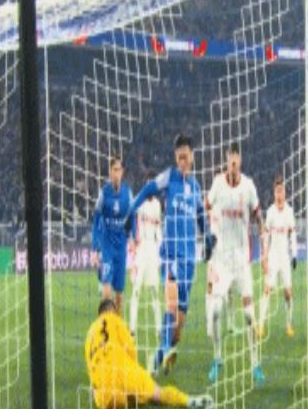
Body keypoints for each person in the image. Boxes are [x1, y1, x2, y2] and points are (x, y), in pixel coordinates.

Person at [127, 134, 214, 375]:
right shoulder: (170, 177)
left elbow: (201, 217)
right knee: (171, 303)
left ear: (192, 156)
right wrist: (130, 211)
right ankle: (157, 360)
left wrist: (208, 239)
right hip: (170, 253)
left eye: (185, 157)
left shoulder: (195, 187)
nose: (182, 162)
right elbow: (147, 189)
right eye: (179, 158)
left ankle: (163, 351)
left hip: (189, 259)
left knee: (177, 330)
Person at [84, 298, 213, 409]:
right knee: (156, 394)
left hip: (104, 397)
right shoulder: (117, 321)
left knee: (116, 395)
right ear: (114, 310)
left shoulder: (90, 332)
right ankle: (189, 401)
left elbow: (90, 366)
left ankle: (127, 396)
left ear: (100, 314)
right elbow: (131, 352)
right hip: (123, 374)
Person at [205, 143, 265, 384]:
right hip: (221, 260)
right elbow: (205, 206)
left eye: (236, 158)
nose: (233, 162)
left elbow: (258, 215)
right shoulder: (218, 183)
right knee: (215, 311)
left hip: (242, 261)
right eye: (230, 158)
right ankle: (217, 358)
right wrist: (208, 232)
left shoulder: (248, 186)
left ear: (240, 160)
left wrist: (264, 241)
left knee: (249, 315)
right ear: (226, 160)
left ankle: (255, 364)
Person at [90, 157, 135, 314]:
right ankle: (105, 323)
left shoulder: (128, 193)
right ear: (110, 172)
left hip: (121, 247)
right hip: (107, 246)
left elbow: (132, 217)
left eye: (119, 170)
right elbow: (96, 221)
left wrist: (132, 238)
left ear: (122, 172)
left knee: (119, 294)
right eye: (114, 170)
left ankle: (117, 325)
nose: (117, 173)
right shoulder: (104, 193)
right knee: (107, 291)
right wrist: (94, 249)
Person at [259, 176, 298, 338]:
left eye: (281, 191)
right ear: (274, 193)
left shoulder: (289, 211)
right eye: (277, 191)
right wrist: (265, 256)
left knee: (288, 293)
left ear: (285, 192)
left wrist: (294, 254)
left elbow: (292, 233)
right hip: (273, 256)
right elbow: (266, 235)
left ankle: (289, 324)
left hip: (285, 257)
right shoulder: (270, 212)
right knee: (267, 289)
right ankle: (261, 325)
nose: (279, 194)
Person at [129, 171, 162, 340]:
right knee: (136, 290)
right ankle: (132, 329)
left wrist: (161, 249)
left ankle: (159, 328)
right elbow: (131, 218)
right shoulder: (138, 202)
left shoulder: (157, 204)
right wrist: (133, 240)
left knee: (155, 291)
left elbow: (158, 228)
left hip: (153, 250)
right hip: (141, 250)